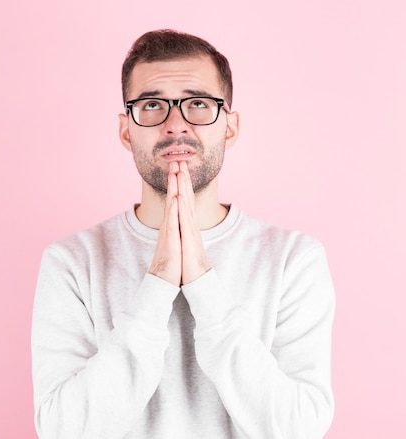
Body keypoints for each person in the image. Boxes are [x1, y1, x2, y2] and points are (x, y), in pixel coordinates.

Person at [32, 29, 335, 439]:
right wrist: (157, 282)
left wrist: (202, 283)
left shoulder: (292, 258)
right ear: (126, 130)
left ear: (229, 126)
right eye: (152, 105)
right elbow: (64, 431)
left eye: (197, 104)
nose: (176, 125)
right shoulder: (72, 261)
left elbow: (297, 430)